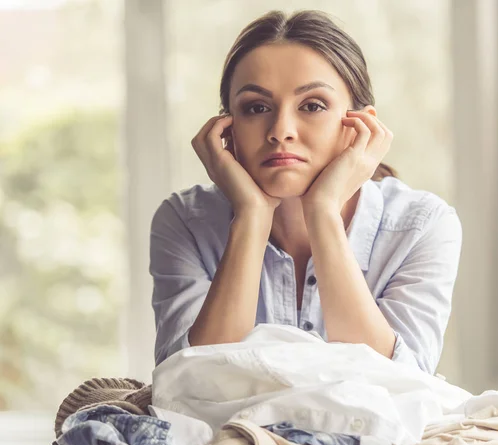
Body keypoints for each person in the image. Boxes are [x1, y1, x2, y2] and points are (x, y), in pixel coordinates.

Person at [150, 9, 462, 374]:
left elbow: (400, 387)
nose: (281, 130)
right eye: (257, 107)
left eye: (312, 106)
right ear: (226, 130)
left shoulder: (422, 226)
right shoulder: (184, 222)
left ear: (360, 128)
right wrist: (251, 217)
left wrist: (323, 212)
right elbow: (187, 385)